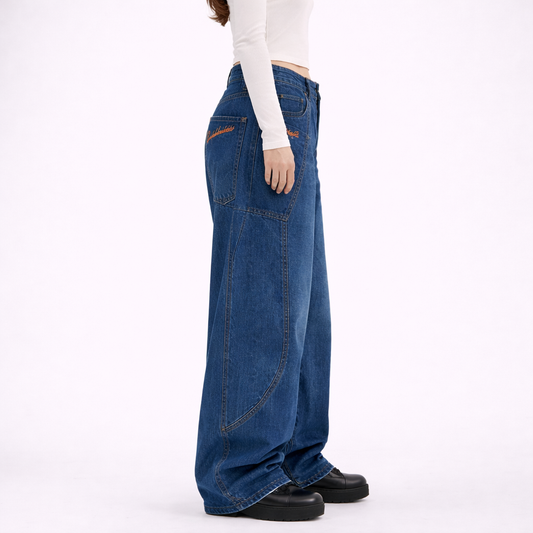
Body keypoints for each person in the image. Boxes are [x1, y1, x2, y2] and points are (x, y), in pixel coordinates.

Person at [195, 0, 369, 521]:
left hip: (293, 108)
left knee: (306, 306)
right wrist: (274, 133)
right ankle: (238, 473)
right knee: (262, 301)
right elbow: (249, 38)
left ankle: (295, 456)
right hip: (263, 114)